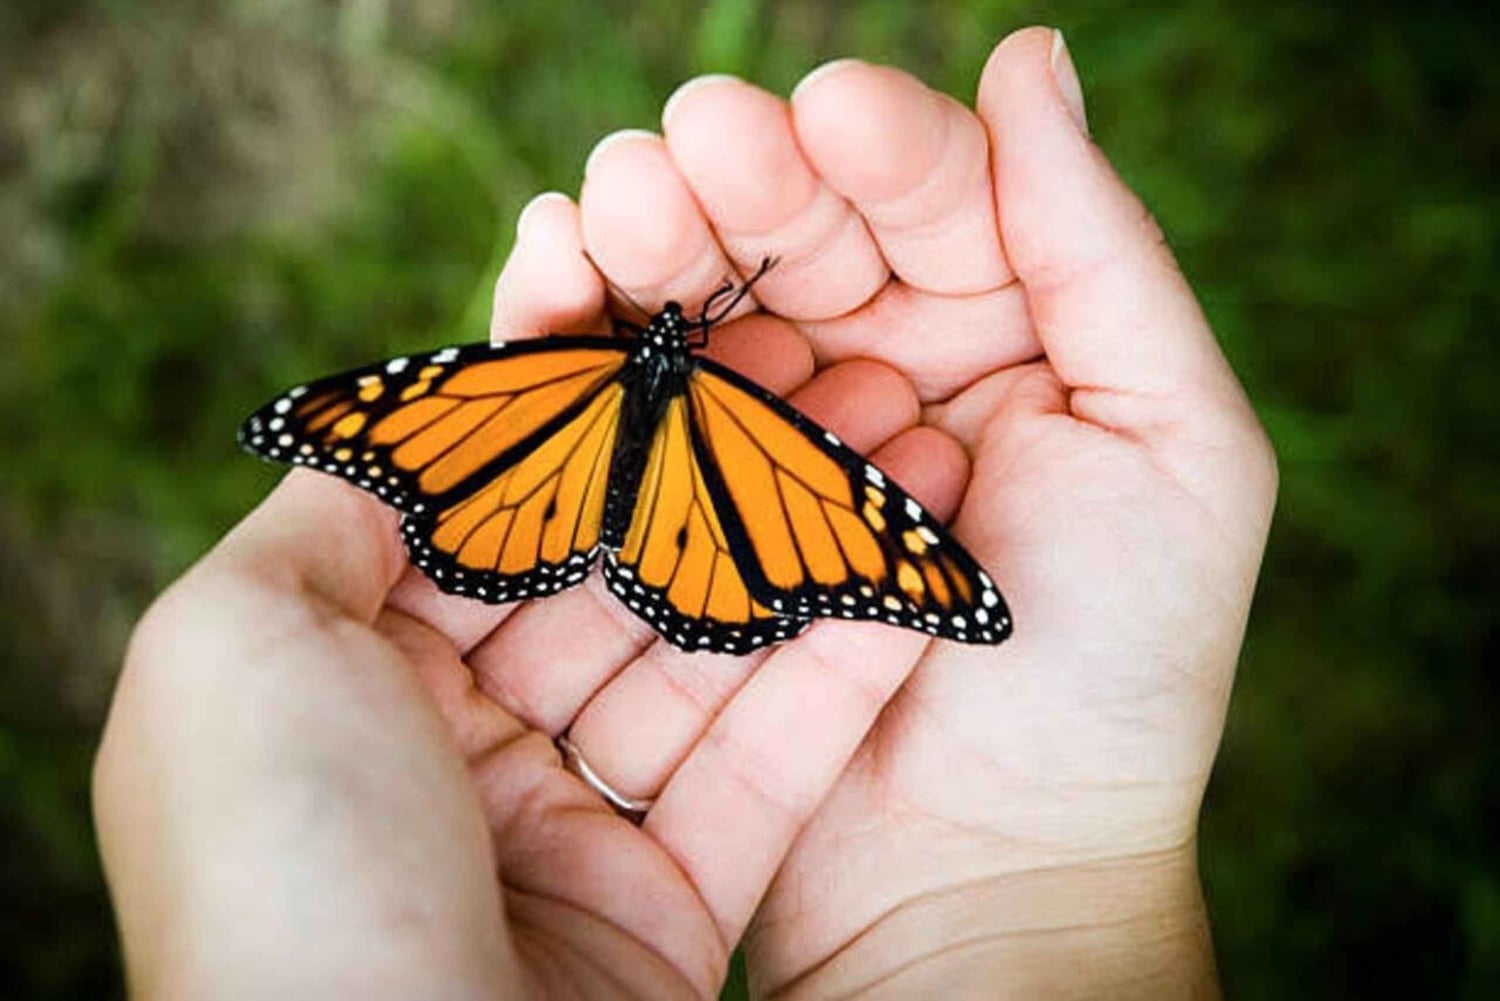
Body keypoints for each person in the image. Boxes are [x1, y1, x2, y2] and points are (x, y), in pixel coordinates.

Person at [93, 26, 1275, 1000]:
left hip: (550, 487)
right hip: (689, 540)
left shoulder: (585, 375)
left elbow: (428, 420)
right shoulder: (747, 413)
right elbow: (840, 523)